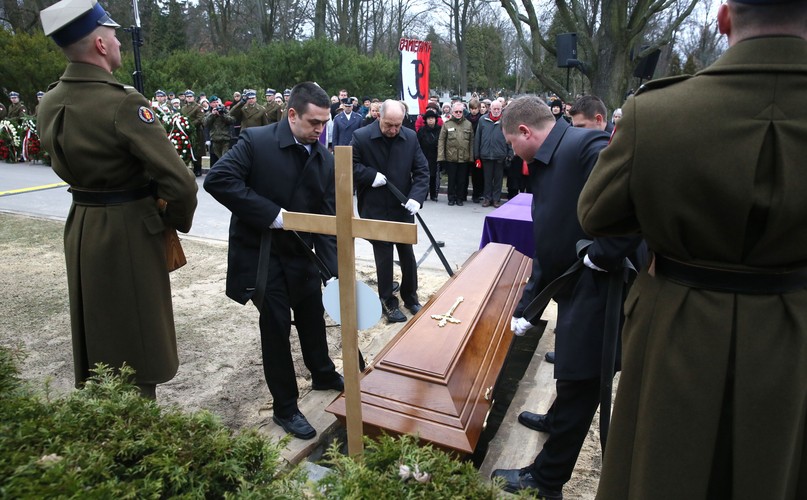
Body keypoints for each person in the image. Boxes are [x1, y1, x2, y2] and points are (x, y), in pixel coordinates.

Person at [577, 1, 807, 498]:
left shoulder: (657, 111)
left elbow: (596, 214)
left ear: (725, 18)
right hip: (796, 333)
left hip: (676, 326)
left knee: (661, 471)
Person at [37, 0, 198, 399]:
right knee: (136, 336)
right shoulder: (123, 103)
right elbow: (181, 184)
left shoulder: (50, 100)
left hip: (82, 224)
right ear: (100, 44)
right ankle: (135, 427)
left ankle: (104, 409)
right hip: (129, 226)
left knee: (98, 328)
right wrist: (170, 219)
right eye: (113, 34)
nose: (119, 42)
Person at [490, 96, 645, 498]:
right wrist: (530, 302)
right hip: (575, 285)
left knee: (581, 381)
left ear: (525, 132)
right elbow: (550, 235)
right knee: (573, 371)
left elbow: (636, 200)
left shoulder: (586, 146)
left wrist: (606, 251)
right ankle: (556, 419)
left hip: (602, 287)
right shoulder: (548, 161)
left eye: (510, 143)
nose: (512, 151)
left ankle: (547, 480)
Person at [203, 82, 343, 441]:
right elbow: (218, 180)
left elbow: (328, 220)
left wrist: (333, 271)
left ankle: (323, 373)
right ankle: (285, 407)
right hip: (263, 254)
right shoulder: (256, 141)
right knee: (277, 327)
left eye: (324, 123)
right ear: (292, 114)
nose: (320, 130)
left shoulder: (324, 157)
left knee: (313, 316)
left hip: (302, 254)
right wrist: (270, 213)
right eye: (314, 122)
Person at [352, 99, 429, 323]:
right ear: (379, 117)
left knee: (407, 253)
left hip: (402, 206)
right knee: (383, 255)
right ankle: (387, 301)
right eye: (388, 125)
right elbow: (349, 165)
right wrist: (369, 175)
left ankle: (411, 297)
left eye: (397, 125)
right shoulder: (362, 137)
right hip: (375, 207)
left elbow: (422, 170)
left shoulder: (410, 137)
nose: (393, 130)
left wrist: (417, 197)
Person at [473, 99, 510, 208]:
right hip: (486, 154)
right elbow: (478, 138)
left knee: (498, 180)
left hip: (500, 155)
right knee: (487, 179)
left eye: (498, 109)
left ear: (501, 109)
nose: (496, 111)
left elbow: (509, 137)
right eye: (494, 108)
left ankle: (496, 200)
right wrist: (477, 154)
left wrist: (510, 153)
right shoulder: (482, 120)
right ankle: (487, 199)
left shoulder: (505, 121)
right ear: (490, 109)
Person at [437, 101, 474, 206]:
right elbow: (441, 141)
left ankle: (460, 198)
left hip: (464, 158)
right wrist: (441, 156)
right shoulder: (447, 124)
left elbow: (471, 142)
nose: (458, 113)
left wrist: (471, 157)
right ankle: (451, 198)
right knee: (452, 179)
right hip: (450, 157)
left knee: (462, 180)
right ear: (452, 112)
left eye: (460, 111)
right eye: (456, 111)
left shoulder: (468, 124)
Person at [416, 108, 442, 201]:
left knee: (434, 176)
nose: (431, 120)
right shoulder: (422, 130)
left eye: (432, 118)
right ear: (426, 120)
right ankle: (424, 194)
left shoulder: (440, 129)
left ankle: (434, 194)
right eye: (429, 118)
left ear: (435, 119)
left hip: (436, 155)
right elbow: (417, 144)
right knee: (425, 175)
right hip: (424, 155)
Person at [181, 90, 205, 176]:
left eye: (190, 97)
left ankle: (198, 168)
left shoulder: (198, 107)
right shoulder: (183, 108)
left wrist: (190, 124)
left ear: (194, 97)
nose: (189, 98)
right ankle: (187, 167)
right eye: (187, 97)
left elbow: (200, 118)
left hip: (196, 131)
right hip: (186, 132)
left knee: (197, 151)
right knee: (187, 149)